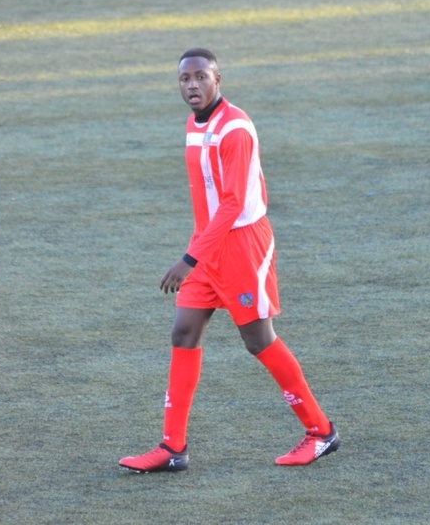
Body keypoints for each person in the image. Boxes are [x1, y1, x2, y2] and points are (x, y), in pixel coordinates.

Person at [118, 48, 339, 472]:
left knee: (258, 340)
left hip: (241, 246)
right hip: (208, 243)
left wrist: (189, 259)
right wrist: (199, 247)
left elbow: (234, 202)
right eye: (185, 79)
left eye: (201, 77)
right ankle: (172, 448)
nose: (192, 85)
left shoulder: (234, 129)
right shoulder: (194, 124)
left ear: (218, 80)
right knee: (184, 332)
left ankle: (321, 432)